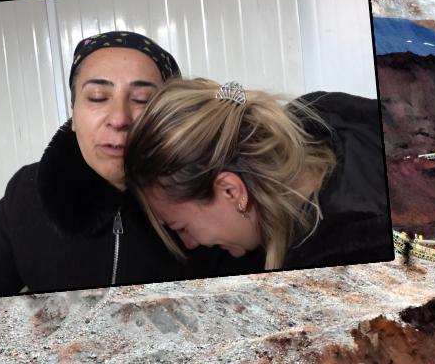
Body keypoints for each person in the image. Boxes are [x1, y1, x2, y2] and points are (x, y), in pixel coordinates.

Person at [0, 32, 259, 305]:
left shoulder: (213, 196)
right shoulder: (30, 191)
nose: (118, 118)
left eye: (143, 101)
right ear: (73, 115)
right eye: (98, 98)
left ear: (170, 119)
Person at [122, 78, 393, 273]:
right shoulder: (324, 113)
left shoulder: (348, 257)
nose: (190, 244)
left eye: (181, 228)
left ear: (231, 191)